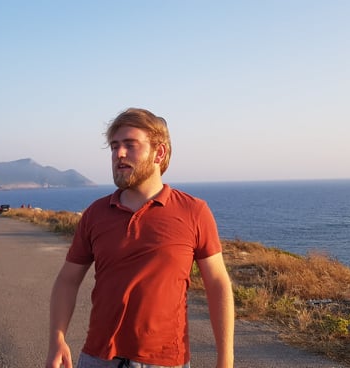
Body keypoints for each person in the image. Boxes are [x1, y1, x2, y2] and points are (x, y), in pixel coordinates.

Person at [46, 108, 234, 368]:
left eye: (130, 145)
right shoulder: (95, 214)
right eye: (114, 146)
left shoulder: (193, 211)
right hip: (98, 359)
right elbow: (67, 280)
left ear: (159, 153)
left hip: (166, 362)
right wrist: (58, 338)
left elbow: (217, 284)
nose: (119, 154)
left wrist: (226, 360)